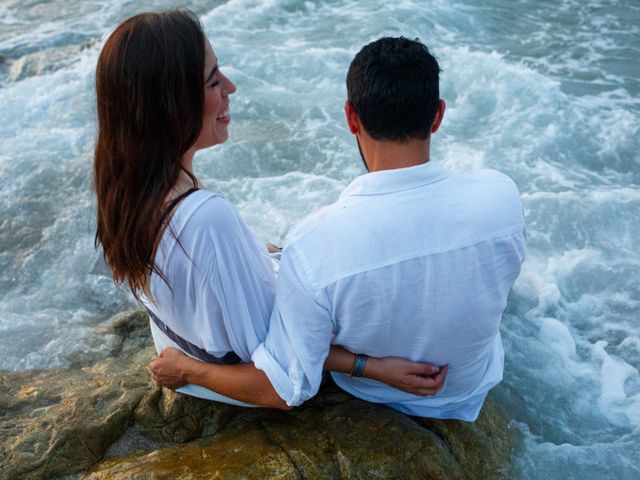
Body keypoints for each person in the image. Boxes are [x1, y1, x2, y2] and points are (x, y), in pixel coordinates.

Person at [150, 36, 526, 421]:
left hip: (377, 397)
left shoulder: (316, 246)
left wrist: (188, 369)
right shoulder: (502, 198)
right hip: (470, 388)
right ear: (438, 116)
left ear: (351, 118)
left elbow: (286, 384)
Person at [94, 12, 446, 409]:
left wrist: (256, 251)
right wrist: (370, 366)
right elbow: (279, 382)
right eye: (213, 81)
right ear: (170, 104)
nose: (231, 87)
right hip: (233, 378)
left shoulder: (131, 185)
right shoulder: (205, 217)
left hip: (186, 338)